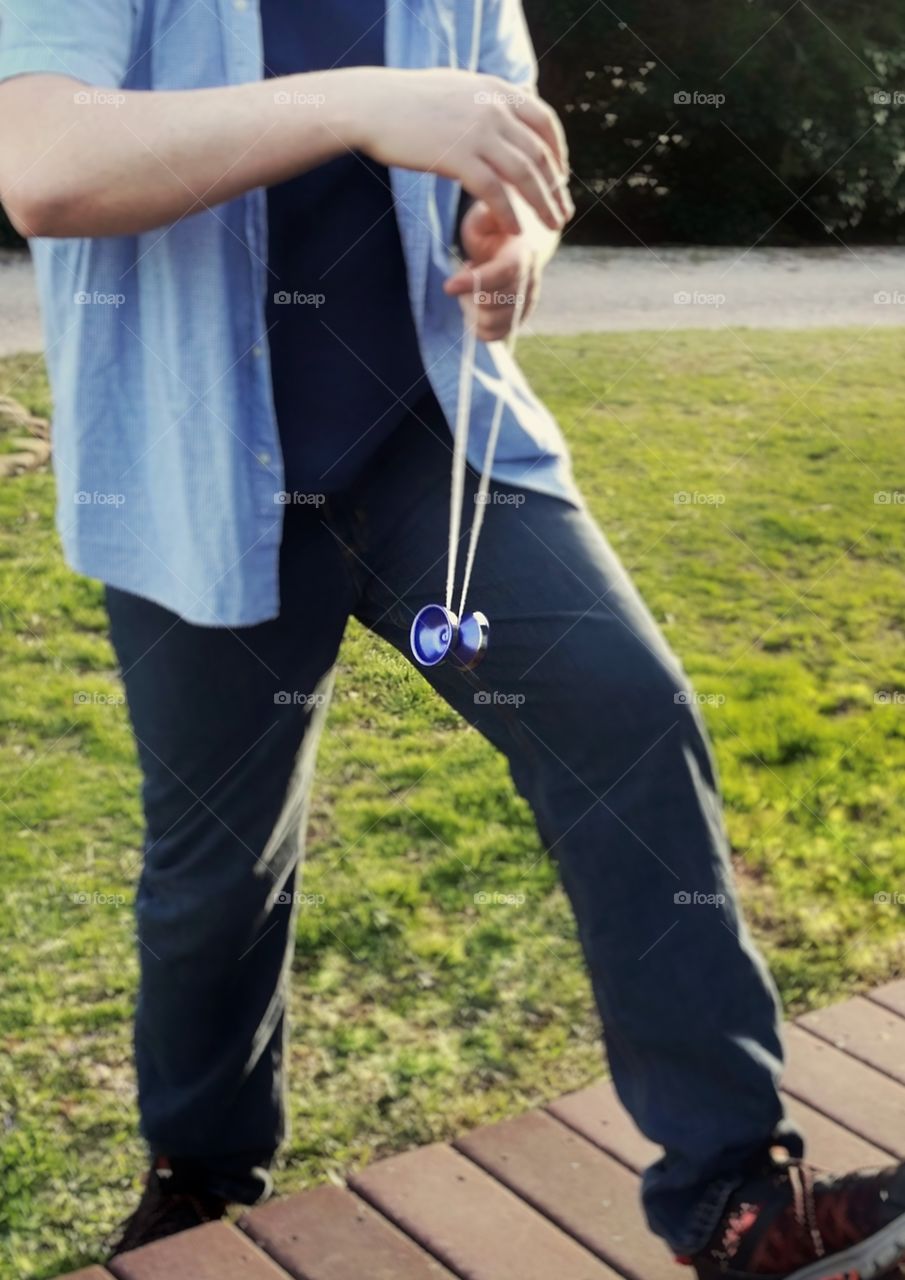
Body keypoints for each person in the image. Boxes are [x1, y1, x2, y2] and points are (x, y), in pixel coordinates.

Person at [0, 3, 902, 1277]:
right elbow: (42, 166)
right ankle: (199, 1191)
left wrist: (515, 236)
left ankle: (735, 1193)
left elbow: (517, 156)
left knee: (623, 721)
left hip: (439, 451)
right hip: (192, 465)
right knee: (216, 877)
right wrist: (360, 104)